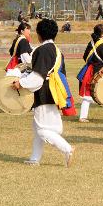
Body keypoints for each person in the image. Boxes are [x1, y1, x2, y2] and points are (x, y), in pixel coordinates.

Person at [12, 18, 75, 166]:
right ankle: (35, 158)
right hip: (54, 92)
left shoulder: (42, 50)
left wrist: (20, 83)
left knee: (41, 129)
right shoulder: (57, 51)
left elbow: (37, 77)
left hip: (44, 92)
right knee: (39, 128)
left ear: (39, 34)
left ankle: (67, 149)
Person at [76, 24, 103, 123]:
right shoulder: (102, 45)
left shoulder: (92, 43)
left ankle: (82, 116)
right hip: (101, 71)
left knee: (87, 96)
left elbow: (85, 57)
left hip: (89, 71)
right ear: (102, 33)